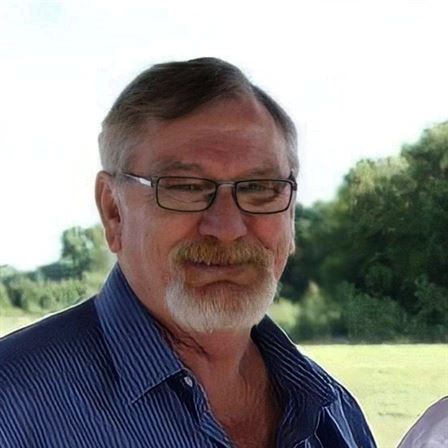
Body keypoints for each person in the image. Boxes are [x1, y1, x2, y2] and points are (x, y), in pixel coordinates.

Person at [0, 58, 376, 447]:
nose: (228, 229)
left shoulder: (333, 412)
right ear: (113, 212)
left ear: (291, 212)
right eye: (186, 187)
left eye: (259, 187)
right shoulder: (10, 409)